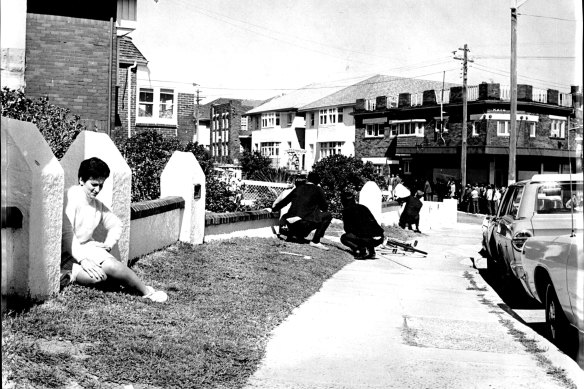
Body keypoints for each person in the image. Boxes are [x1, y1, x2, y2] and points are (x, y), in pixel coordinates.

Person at [60, 157, 168, 302]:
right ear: (81, 180)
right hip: (65, 252)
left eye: (101, 185)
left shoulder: (97, 204)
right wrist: (83, 260)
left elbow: (116, 224)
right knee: (98, 278)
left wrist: (109, 243)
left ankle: (146, 291)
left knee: (112, 266)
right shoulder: (69, 197)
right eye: (93, 184)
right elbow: (67, 234)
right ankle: (68, 273)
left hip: (86, 247)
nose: (97, 190)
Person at [270, 171, 332, 250]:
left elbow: (284, 202)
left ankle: (294, 235)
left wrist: (273, 209)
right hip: (304, 224)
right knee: (328, 215)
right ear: (318, 181)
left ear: (308, 179)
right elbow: (324, 208)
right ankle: (316, 241)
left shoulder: (298, 188)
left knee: (300, 216)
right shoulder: (318, 189)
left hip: (291, 224)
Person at [339, 191, 385, 259]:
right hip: (379, 238)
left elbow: (348, 229)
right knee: (366, 233)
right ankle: (372, 252)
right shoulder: (363, 207)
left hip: (367, 239)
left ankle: (360, 250)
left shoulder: (347, 210)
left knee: (344, 237)